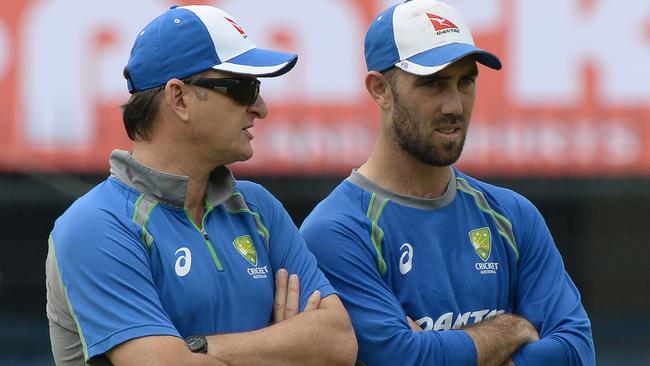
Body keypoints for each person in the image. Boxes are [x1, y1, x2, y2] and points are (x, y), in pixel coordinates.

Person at [45, 5, 356, 366]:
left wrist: (196, 347)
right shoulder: (96, 224)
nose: (261, 107)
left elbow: (339, 341)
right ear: (179, 98)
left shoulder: (258, 207)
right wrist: (287, 346)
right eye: (243, 87)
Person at [300, 0, 595, 365]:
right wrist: (511, 328)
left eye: (465, 81)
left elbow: (577, 350)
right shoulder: (337, 231)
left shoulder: (513, 215)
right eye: (433, 83)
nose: (454, 105)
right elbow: (402, 358)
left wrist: (444, 350)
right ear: (380, 89)